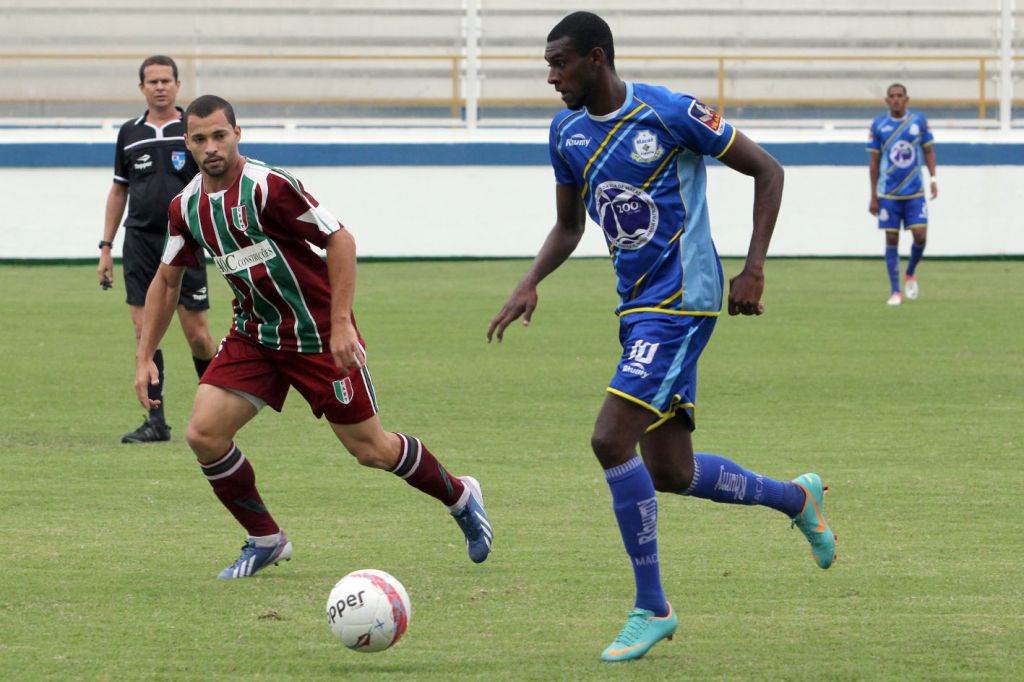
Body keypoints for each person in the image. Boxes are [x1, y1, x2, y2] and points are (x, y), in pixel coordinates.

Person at [487, 12, 835, 663]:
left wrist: (753, 267)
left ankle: (653, 606)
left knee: (608, 437)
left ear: (596, 58)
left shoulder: (667, 112)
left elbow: (769, 170)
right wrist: (530, 281)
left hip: (683, 301)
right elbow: (568, 225)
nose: (551, 77)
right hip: (638, 311)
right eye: (548, 66)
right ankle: (797, 498)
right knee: (669, 471)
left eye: (560, 64)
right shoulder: (565, 133)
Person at [134, 94, 492, 579]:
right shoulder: (187, 207)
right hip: (256, 336)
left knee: (371, 450)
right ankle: (266, 538)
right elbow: (166, 280)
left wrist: (342, 323)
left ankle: (460, 494)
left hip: (319, 334)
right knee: (204, 434)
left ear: (238, 134)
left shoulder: (269, 187)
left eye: (220, 135)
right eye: (199, 139)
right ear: (188, 144)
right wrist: (145, 355)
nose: (211, 146)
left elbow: (339, 239)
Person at [99, 55, 217, 443]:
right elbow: (119, 189)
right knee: (143, 332)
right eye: (153, 81)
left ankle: (218, 412)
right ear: (142, 88)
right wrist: (105, 246)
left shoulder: (195, 130)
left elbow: (215, 180)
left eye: (167, 80)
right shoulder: (129, 133)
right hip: (140, 241)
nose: (160, 87)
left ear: (178, 86)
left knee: (197, 334)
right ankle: (156, 421)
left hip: (186, 239)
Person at [867, 83, 937, 306]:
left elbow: (928, 151)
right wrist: (874, 195)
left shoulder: (918, 121)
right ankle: (895, 291)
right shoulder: (879, 125)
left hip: (915, 191)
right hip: (889, 193)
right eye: (892, 96)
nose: (896, 99)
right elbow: (874, 161)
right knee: (891, 238)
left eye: (900, 96)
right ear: (887, 100)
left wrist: (933, 179)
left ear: (907, 99)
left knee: (920, 236)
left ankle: (911, 271)